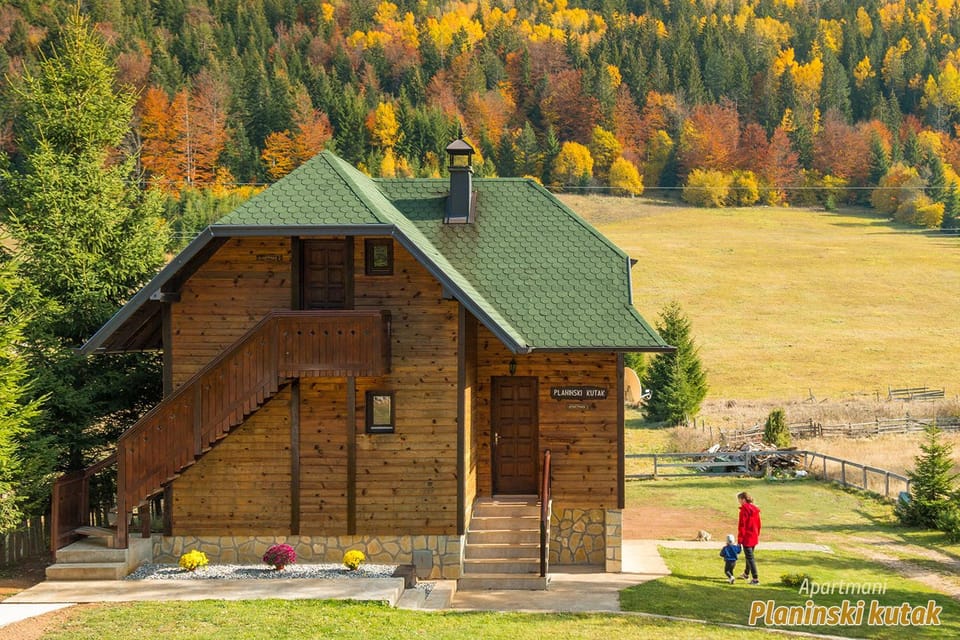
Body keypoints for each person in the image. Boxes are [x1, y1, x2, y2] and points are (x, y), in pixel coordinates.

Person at [737, 491, 761, 584]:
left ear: (743, 499)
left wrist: (739, 540)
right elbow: (759, 524)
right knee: (749, 557)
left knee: (750, 558)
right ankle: (746, 573)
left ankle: (755, 578)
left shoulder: (744, 510)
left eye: (739, 499)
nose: (739, 501)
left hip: (747, 537)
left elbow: (742, 526)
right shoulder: (755, 509)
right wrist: (757, 534)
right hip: (754, 536)